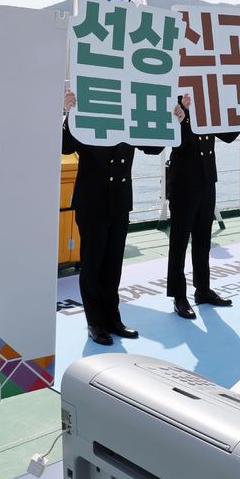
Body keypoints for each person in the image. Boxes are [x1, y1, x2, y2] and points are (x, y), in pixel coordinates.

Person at [62, 90, 162, 345]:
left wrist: (169, 119)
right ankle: (95, 323)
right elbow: (64, 146)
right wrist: (68, 112)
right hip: (92, 200)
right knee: (93, 264)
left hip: (119, 200)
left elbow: (153, 147)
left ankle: (113, 319)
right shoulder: (87, 112)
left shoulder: (132, 114)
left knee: (114, 263)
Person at [166, 94, 239, 319]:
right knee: (179, 241)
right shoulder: (175, 102)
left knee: (203, 239)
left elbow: (227, 136)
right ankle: (179, 296)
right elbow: (171, 139)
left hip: (207, 179)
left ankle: (203, 289)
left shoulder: (209, 100)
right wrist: (182, 114)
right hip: (184, 182)